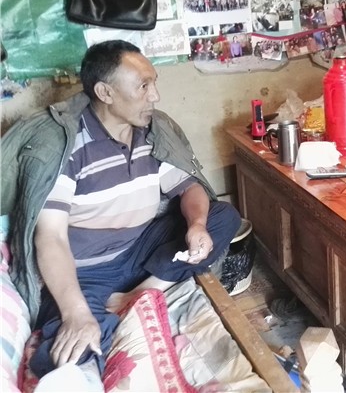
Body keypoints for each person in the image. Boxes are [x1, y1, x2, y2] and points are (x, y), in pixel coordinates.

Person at [0, 40, 240, 387]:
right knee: (72, 343)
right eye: (143, 86)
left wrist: (198, 224)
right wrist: (76, 312)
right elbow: (50, 237)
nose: (155, 96)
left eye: (153, 83)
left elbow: (189, 187)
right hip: (85, 271)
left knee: (223, 217)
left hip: (137, 251)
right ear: (105, 92)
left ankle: (140, 293)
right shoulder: (67, 145)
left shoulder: (150, 134)